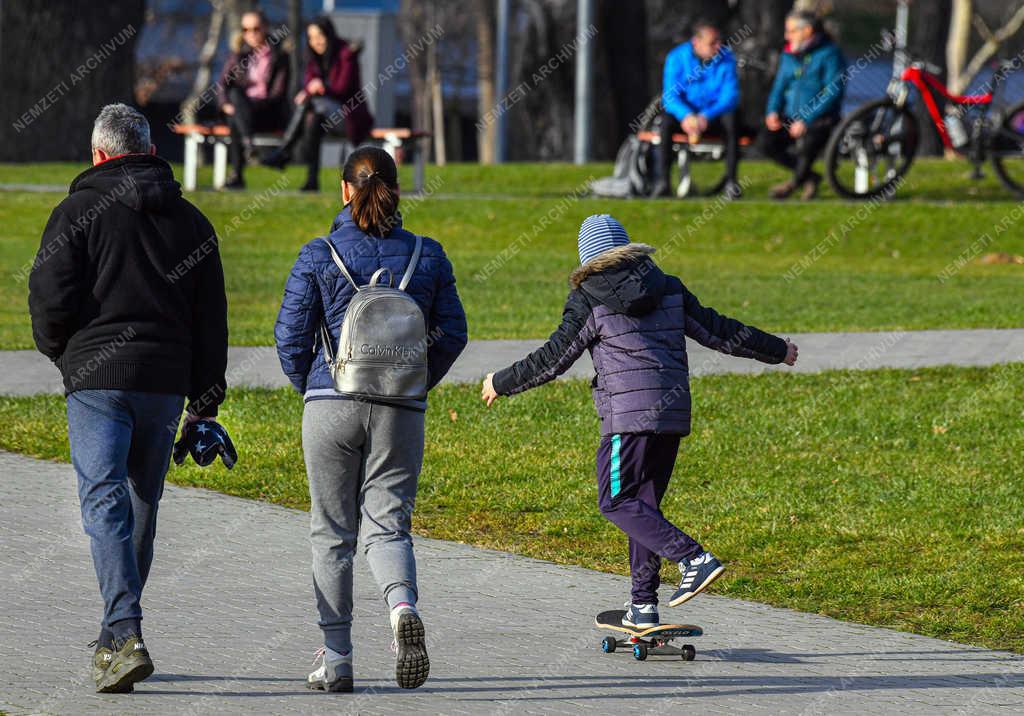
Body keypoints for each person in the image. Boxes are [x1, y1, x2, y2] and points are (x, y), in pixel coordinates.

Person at [480, 215, 798, 630]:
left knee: (615, 501)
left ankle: (693, 558)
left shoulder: (588, 297)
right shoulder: (668, 287)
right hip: (671, 415)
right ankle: (643, 605)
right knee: (643, 508)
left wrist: (500, 383)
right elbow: (722, 332)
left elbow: (554, 358)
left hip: (626, 419)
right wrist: (777, 349)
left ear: (587, 259)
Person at [27, 104, 229, 693]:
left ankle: (123, 627)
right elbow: (210, 321)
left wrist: (63, 356)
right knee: (141, 502)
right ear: (147, 150)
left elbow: (48, 301)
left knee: (102, 498)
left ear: (98, 154)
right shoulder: (192, 223)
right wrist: (206, 402)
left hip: (97, 377)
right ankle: (118, 634)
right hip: (163, 383)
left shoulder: (76, 212)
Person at [275, 146, 467, 691]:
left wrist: (311, 388)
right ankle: (401, 608)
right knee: (388, 524)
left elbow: (290, 338)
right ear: (396, 191)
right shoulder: (428, 255)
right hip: (400, 408)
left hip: (330, 402)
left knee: (332, 533)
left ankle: (336, 657)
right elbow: (453, 333)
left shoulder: (318, 254)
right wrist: (414, 383)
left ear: (343, 190)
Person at [263, 16, 374, 192]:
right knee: (313, 117)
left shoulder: (346, 54)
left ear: (329, 35)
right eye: (311, 37)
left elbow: (342, 89)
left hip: (349, 117)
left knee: (312, 105)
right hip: (323, 116)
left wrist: (318, 88)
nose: (316, 42)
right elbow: (309, 85)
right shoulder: (313, 58)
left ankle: (285, 150)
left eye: (319, 36)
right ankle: (311, 180)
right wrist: (311, 90)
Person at [760, 10, 846, 200]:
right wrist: (772, 111)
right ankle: (809, 177)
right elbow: (779, 86)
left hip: (821, 117)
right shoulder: (789, 54)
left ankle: (794, 184)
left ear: (807, 30)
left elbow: (833, 91)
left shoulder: (830, 54)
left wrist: (806, 119)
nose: (786, 36)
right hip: (790, 115)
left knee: (809, 144)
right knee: (767, 143)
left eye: (791, 31)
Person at [652, 20, 742, 199]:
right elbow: (670, 96)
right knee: (665, 123)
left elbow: (730, 97)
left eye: (719, 41)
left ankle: (731, 183)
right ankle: (663, 183)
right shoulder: (676, 57)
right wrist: (686, 115)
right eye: (712, 43)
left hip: (713, 116)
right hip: (685, 117)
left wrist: (705, 116)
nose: (718, 46)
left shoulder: (726, 58)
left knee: (732, 121)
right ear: (696, 42)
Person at [217, 9, 290, 189]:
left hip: (268, 113)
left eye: (256, 28)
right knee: (234, 98)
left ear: (265, 28)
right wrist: (225, 105)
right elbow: (221, 86)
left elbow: (278, 93)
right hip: (241, 112)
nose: (251, 34)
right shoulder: (237, 56)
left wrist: (246, 106)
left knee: (236, 114)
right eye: (246, 29)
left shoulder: (279, 55)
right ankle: (248, 147)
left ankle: (237, 175)